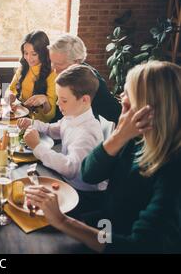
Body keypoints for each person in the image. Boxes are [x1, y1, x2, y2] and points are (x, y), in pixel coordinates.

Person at [26, 61, 181, 253]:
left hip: (115, 240)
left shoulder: (173, 172)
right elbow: (89, 174)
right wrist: (119, 136)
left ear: (155, 110)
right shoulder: (134, 140)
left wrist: (63, 221)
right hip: (106, 223)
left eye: (130, 97)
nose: (121, 100)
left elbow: (136, 247)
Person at [20, 65, 107, 211]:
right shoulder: (73, 114)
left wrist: (37, 146)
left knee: (28, 194)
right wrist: (33, 123)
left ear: (84, 100)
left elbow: (70, 168)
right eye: (58, 98)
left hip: (83, 195)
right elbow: (54, 130)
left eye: (64, 100)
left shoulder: (87, 133)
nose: (57, 103)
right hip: (66, 181)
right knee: (26, 182)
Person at [48, 34, 121, 124]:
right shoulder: (65, 73)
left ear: (76, 62)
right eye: (52, 62)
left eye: (59, 64)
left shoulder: (90, 81)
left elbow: (116, 114)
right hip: (61, 126)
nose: (53, 69)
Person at [5, 30, 57, 122]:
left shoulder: (52, 74)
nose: (28, 58)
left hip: (38, 125)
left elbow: (50, 116)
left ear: (43, 53)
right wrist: (10, 95)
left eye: (34, 54)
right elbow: (11, 88)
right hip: (19, 118)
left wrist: (45, 100)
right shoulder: (23, 67)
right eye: (26, 53)